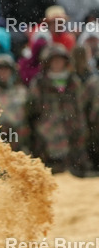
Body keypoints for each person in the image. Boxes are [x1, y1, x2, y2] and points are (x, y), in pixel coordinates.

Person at [25, 44, 88, 175]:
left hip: (71, 129)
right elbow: (31, 109)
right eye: (53, 60)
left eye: (60, 60)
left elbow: (80, 108)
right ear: (47, 62)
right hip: (46, 133)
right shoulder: (39, 83)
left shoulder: (73, 82)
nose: (57, 63)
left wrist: (80, 128)